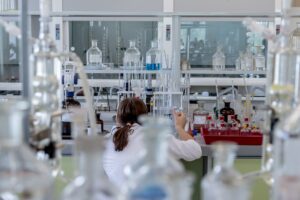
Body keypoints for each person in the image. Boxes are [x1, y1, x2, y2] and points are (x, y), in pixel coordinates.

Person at [103, 97, 202, 187]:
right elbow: (196, 150)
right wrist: (179, 127)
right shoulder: (156, 139)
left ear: (117, 118)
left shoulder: (105, 143)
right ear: (145, 118)